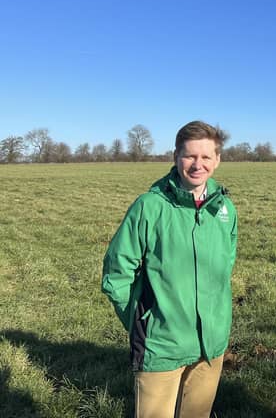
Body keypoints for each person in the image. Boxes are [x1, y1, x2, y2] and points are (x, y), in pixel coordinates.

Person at [101, 120, 237, 418]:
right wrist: (142, 321)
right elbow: (116, 273)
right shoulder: (149, 207)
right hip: (161, 343)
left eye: (205, 157)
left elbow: (225, 265)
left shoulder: (224, 208)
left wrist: (217, 317)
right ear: (176, 157)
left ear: (217, 160)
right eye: (189, 156)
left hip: (211, 344)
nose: (197, 164)